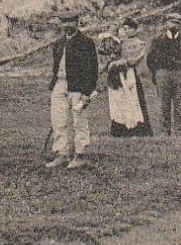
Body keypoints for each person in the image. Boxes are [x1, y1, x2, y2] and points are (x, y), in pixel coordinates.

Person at [46, 10, 98, 170]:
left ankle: (80, 155)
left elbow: (93, 69)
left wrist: (87, 92)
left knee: (79, 121)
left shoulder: (86, 42)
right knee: (58, 120)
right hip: (59, 85)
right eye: (64, 22)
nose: (67, 25)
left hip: (78, 86)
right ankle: (62, 154)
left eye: (70, 22)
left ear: (77, 22)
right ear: (60, 24)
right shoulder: (58, 43)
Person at [103, 21, 151, 137]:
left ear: (135, 30)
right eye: (124, 29)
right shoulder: (120, 42)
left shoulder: (140, 43)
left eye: (129, 28)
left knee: (133, 101)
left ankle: (137, 127)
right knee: (119, 100)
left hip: (131, 73)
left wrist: (119, 63)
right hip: (119, 74)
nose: (126, 31)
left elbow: (135, 59)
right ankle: (120, 127)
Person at [146, 12, 181, 136]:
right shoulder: (158, 40)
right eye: (172, 22)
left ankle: (180, 132)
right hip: (163, 73)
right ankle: (164, 131)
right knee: (164, 104)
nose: (174, 25)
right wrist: (156, 73)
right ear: (166, 24)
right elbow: (150, 59)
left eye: (178, 23)